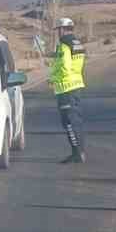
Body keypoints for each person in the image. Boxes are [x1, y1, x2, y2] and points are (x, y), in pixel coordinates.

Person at [49, 17, 88, 163]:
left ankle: (77, 153)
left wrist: (53, 78)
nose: (58, 33)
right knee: (76, 121)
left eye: (58, 30)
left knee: (69, 122)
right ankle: (80, 151)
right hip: (76, 84)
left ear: (62, 29)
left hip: (65, 87)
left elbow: (64, 66)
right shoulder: (78, 43)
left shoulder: (64, 45)